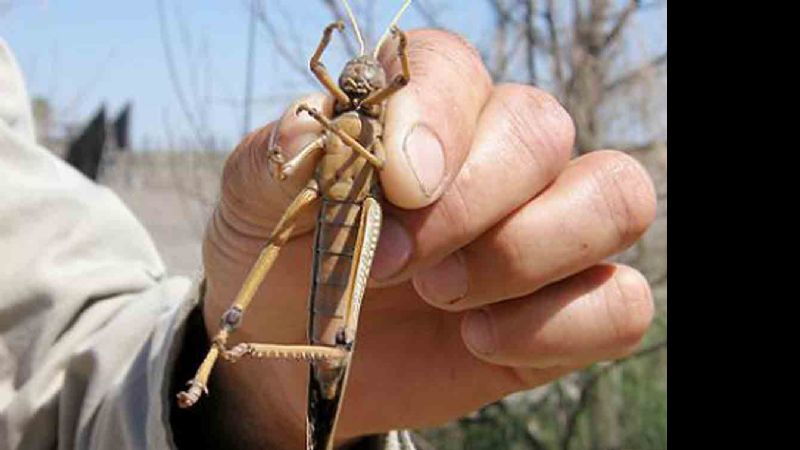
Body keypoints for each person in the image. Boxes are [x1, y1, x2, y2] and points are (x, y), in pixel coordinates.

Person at [0, 28, 657, 450]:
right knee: (256, 283)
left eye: (364, 80)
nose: (352, 82)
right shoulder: (333, 111)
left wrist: (252, 405)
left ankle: (249, 378)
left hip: (360, 233)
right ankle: (226, 366)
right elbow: (320, 73)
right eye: (349, 79)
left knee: (338, 317)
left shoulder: (369, 120)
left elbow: (50, 332)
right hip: (320, 209)